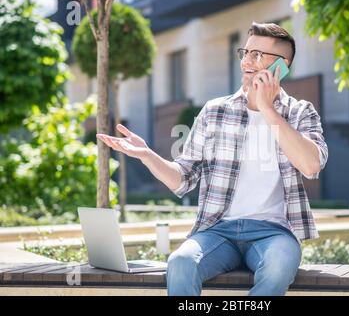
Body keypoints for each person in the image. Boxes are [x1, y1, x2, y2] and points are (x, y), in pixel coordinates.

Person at [97, 22, 328, 296]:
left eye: (258, 55)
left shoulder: (301, 112)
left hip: (274, 233)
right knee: (181, 262)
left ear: (282, 66)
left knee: (278, 267)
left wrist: (266, 107)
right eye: (246, 52)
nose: (247, 61)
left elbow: (311, 165)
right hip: (218, 231)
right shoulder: (215, 111)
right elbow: (183, 178)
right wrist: (147, 155)